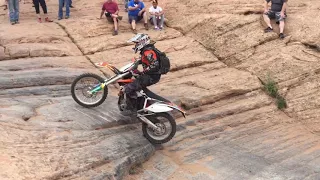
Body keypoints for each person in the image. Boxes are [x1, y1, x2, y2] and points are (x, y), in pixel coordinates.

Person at [123, 33, 161, 111]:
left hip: (151, 77)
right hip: (150, 75)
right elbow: (147, 61)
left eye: (137, 43)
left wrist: (144, 71)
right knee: (134, 82)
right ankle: (139, 102)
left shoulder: (148, 52)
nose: (135, 45)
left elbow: (155, 64)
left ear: (142, 42)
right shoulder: (146, 50)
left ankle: (133, 109)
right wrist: (137, 62)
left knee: (128, 88)